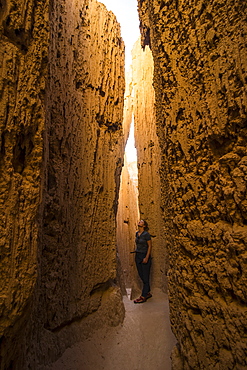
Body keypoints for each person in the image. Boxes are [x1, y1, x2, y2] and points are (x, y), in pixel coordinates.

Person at [134, 219, 152, 303]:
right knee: (141, 274)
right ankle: (147, 292)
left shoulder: (146, 234)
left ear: (144, 226)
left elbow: (149, 246)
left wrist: (147, 257)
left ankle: (143, 296)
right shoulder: (137, 234)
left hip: (144, 255)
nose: (139, 222)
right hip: (137, 255)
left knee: (145, 276)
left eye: (141, 222)